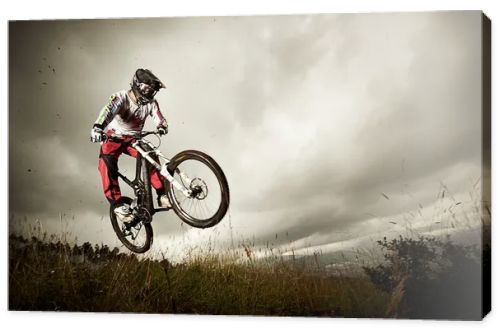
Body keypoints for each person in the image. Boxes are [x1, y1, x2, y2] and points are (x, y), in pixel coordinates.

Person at [90, 68, 170, 222]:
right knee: (106, 164)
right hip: (114, 137)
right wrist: (98, 127)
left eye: (152, 91)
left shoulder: (151, 103)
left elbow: (159, 117)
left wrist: (162, 125)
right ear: (136, 84)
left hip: (134, 139)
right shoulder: (121, 97)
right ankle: (118, 204)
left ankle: (162, 194)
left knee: (151, 156)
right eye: (146, 88)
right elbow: (108, 111)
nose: (149, 93)